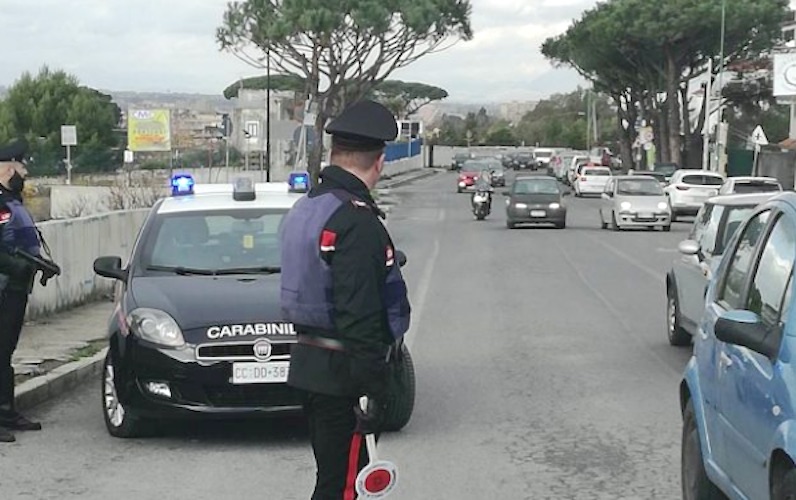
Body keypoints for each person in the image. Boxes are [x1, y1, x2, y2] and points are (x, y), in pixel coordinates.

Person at [280, 99, 411, 500]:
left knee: (333, 479)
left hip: (311, 363)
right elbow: (360, 312)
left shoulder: (308, 208)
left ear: (336, 153)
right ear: (380, 161)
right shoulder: (355, 220)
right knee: (345, 488)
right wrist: (374, 388)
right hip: (345, 373)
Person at [0, 139, 44, 443]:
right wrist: (17, 266)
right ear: (6, 168)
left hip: (15, 289)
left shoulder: (11, 200)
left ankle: (6, 411)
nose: (25, 171)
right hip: (4, 287)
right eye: (20, 165)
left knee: (5, 352)